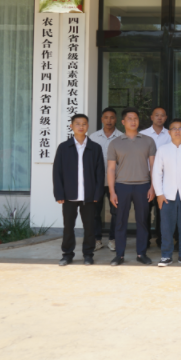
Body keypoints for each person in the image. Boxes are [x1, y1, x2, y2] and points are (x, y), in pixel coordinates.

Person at [53, 114, 105, 266]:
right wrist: (59, 193)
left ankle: (88, 254)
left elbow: (100, 173)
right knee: (68, 227)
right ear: (71, 126)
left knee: (89, 227)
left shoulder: (95, 148)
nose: (81, 126)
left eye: (84, 124)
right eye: (77, 124)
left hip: (89, 196)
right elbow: (57, 172)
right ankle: (67, 254)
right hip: (69, 195)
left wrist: (97, 193)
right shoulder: (64, 147)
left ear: (87, 126)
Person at [107, 107, 157, 266]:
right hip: (122, 186)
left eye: (135, 118)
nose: (133, 121)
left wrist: (153, 187)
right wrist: (112, 191)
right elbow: (111, 169)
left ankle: (141, 254)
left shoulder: (148, 141)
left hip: (143, 186)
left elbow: (153, 166)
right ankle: (119, 255)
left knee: (142, 221)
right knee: (120, 222)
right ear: (123, 122)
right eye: (129, 118)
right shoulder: (115, 143)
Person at [152, 119, 181, 267]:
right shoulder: (163, 150)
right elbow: (157, 173)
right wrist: (159, 193)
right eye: (174, 128)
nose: (177, 131)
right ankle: (166, 256)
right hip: (167, 194)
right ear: (169, 132)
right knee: (166, 226)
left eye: (180, 128)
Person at [89, 107, 123, 252]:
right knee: (95, 212)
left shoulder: (122, 137)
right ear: (102, 119)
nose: (109, 120)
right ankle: (97, 239)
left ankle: (113, 239)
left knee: (116, 211)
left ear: (116, 119)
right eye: (106, 117)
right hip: (97, 181)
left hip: (116, 181)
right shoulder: (93, 137)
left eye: (112, 117)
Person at [141, 106, 171, 249]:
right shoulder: (143, 134)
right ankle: (145, 240)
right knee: (144, 210)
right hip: (145, 176)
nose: (159, 117)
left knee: (162, 210)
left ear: (166, 118)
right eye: (156, 115)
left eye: (162, 115)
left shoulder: (170, 134)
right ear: (152, 117)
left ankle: (161, 239)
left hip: (165, 177)